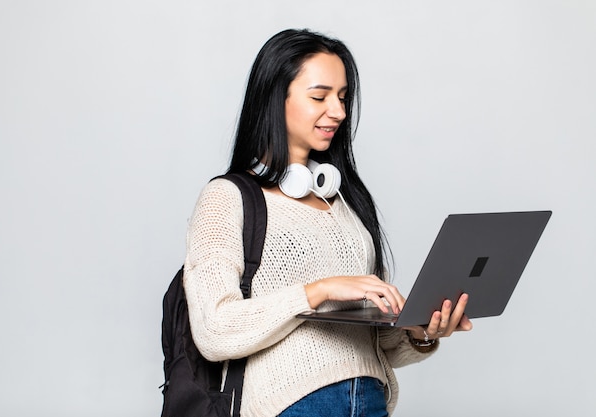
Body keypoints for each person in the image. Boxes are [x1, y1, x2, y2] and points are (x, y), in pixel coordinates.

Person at [182, 28, 472, 417]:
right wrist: (318, 291)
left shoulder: (344, 203)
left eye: (342, 97)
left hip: (370, 399)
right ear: (274, 98)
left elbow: (371, 341)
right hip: (290, 405)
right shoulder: (227, 199)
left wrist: (420, 333)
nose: (338, 111)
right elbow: (214, 330)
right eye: (319, 96)